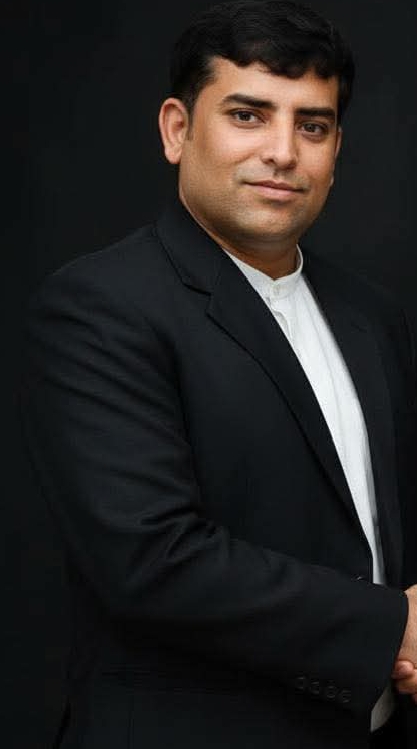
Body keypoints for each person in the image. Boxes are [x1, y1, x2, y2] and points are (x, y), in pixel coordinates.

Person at [21, 1, 417, 747]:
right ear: (178, 130)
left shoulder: (372, 315)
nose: (282, 152)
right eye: (247, 115)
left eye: (312, 125)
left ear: (336, 150)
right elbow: (151, 561)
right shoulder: (99, 307)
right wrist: (394, 628)